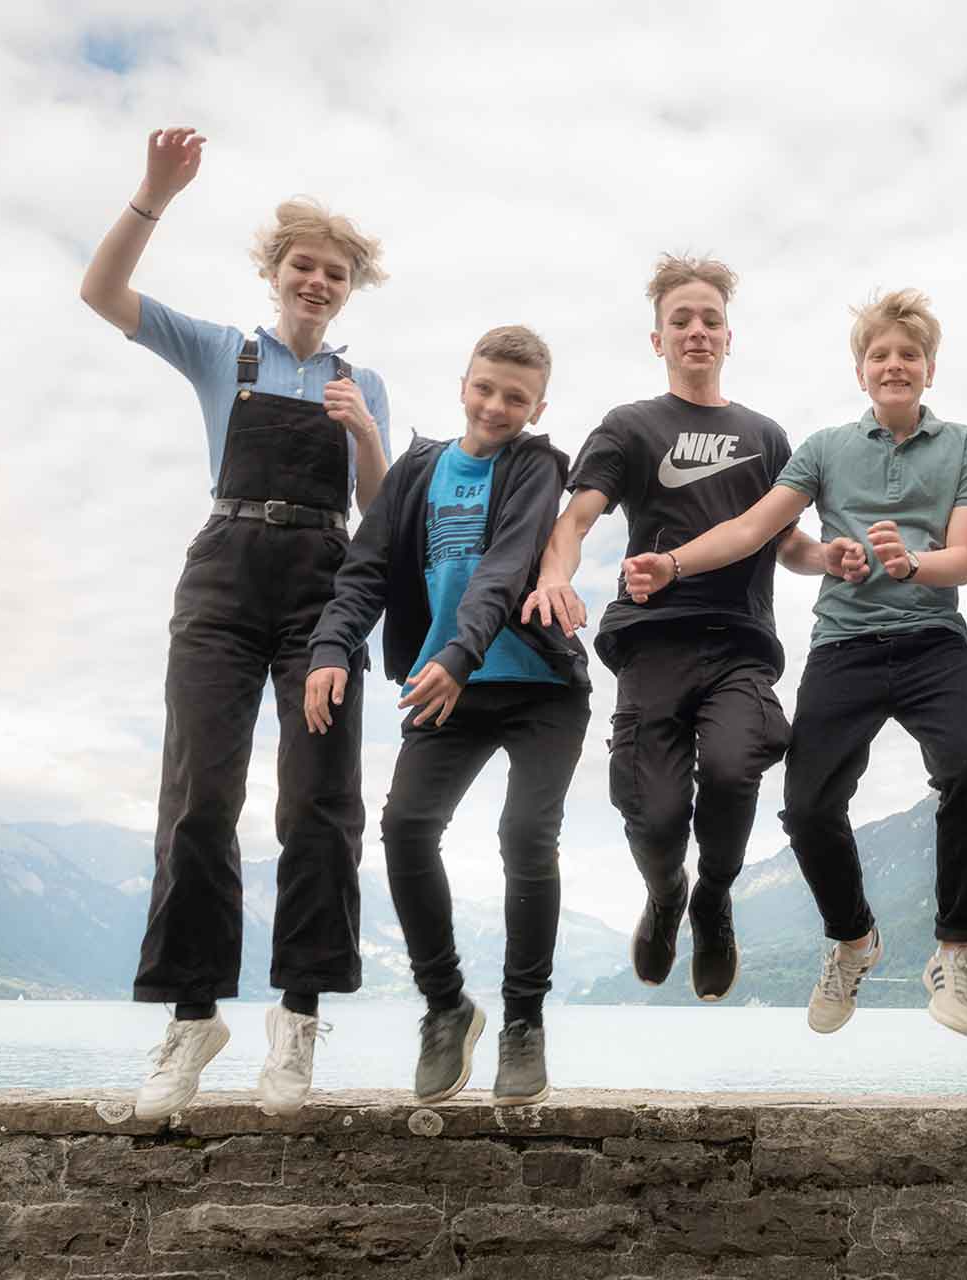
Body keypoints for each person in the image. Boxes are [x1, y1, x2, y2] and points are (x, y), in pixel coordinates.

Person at [79, 128, 392, 1119]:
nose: (317, 280)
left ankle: (296, 1023)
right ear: (277, 269)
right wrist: (153, 192)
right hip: (222, 576)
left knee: (318, 803)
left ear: (348, 289)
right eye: (303, 264)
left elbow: (379, 516)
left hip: (324, 586)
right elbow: (102, 293)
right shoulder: (225, 350)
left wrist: (368, 435)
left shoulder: (362, 381)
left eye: (334, 273)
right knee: (199, 797)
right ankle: (191, 1017)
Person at [622, 289, 967, 1037]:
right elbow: (754, 527)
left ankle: (956, 953)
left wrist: (909, 563)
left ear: (929, 368)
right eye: (880, 355)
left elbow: (964, 558)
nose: (895, 365)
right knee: (807, 809)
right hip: (843, 646)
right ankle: (854, 940)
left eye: (909, 355)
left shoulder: (961, 444)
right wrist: (671, 563)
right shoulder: (826, 447)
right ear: (861, 371)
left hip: (932, 642)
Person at [522, 255, 826, 1001]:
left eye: (710, 320)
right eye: (680, 320)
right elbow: (577, 518)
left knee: (732, 767)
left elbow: (787, 544)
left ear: (730, 337)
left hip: (739, 646)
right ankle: (665, 896)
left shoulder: (767, 435)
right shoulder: (629, 426)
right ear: (657, 339)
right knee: (653, 813)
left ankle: (713, 900)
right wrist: (557, 574)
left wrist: (832, 558)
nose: (697, 331)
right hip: (653, 643)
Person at [305, 326, 590, 1107]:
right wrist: (331, 649)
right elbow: (363, 572)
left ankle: (523, 1023)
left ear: (538, 406)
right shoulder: (416, 473)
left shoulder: (536, 466)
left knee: (525, 834)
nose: (497, 406)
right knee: (405, 828)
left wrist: (461, 654)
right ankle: (444, 1007)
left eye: (516, 398)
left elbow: (506, 566)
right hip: (446, 686)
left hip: (538, 687)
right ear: (464, 382)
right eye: (486, 388)